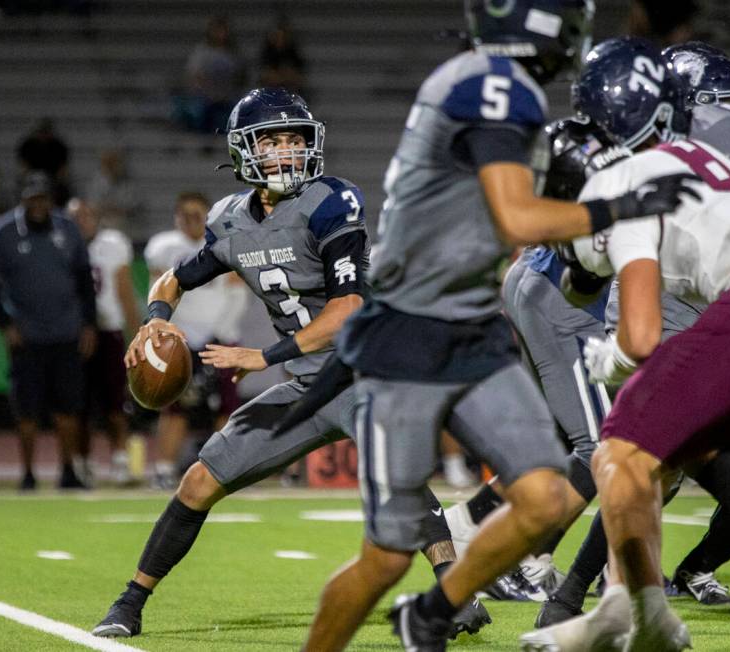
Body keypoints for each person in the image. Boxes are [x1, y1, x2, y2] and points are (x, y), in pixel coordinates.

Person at [295, 1, 702, 649]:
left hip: (469, 324)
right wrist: (619, 208)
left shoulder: (491, 84)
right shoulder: (495, 87)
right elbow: (516, 218)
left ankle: (430, 613)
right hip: (408, 331)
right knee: (386, 558)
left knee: (545, 497)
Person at [92, 88, 487, 639]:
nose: (288, 152)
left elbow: (348, 310)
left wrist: (264, 355)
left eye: (296, 140)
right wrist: (155, 317)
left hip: (361, 371)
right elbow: (175, 277)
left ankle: (455, 587)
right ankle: (129, 602)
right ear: (244, 152)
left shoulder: (331, 202)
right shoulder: (230, 220)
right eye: (273, 141)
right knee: (198, 482)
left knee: (396, 469)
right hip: (304, 383)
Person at [526, 37, 730, 651]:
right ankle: (619, 609)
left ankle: (634, 616)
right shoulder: (713, 165)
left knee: (620, 451)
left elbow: (642, 337)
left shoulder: (622, 188)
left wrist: (610, 358)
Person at [0, 172, 96, 490]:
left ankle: (68, 470)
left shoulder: (67, 229)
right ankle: (28, 473)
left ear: (51, 200)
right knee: (26, 409)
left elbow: (85, 281)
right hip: (26, 335)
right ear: (23, 200)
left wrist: (88, 325)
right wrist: (6, 326)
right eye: (32, 199)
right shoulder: (3, 232)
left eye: (43, 198)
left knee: (68, 407)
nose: (38, 205)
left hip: (66, 331)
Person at [143, 191, 242, 489]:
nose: (191, 220)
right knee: (175, 407)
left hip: (219, 338)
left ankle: (226, 470)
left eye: (197, 213)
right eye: (184, 214)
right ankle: (163, 468)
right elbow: (158, 290)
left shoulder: (223, 243)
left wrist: (224, 332)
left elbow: (238, 289)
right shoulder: (165, 247)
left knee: (227, 407)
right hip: (180, 339)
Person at [69, 198, 139, 486]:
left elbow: (124, 292)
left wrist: (136, 334)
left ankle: (120, 460)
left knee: (115, 402)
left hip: (108, 329)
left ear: (96, 217)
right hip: (71, 334)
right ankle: (82, 462)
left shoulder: (113, 243)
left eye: (86, 215)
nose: (81, 221)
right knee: (77, 405)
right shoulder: (61, 243)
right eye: (76, 216)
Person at [180, 15, 245, 133]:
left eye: (222, 30)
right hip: (205, 97)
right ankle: (204, 144)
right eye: (217, 30)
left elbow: (239, 77)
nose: (220, 34)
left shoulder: (233, 53)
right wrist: (209, 93)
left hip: (227, 97)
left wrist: (224, 94)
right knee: (201, 111)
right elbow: (195, 76)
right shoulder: (201, 52)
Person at [16, 119, 71, 207]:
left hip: (53, 179)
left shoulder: (58, 146)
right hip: (32, 178)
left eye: (46, 133)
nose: (43, 136)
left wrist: (58, 181)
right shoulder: (28, 145)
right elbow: (24, 167)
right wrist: (26, 179)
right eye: (41, 133)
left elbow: (63, 169)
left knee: (62, 190)